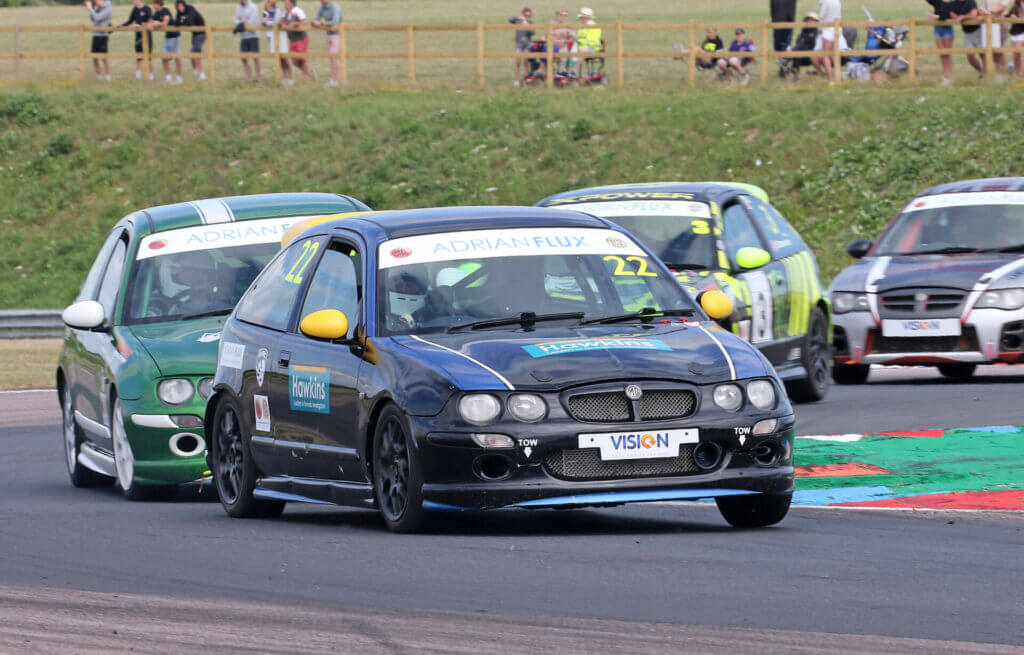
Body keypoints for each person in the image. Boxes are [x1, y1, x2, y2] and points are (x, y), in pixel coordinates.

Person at [283, 0, 316, 83]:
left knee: (302, 59)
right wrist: (283, 25)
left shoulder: (298, 11)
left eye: (286, 3)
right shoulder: (286, 13)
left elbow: (304, 22)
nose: (284, 4)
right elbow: (282, 21)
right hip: (292, 40)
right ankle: (310, 73)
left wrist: (295, 24)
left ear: (291, 3)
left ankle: (306, 77)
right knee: (294, 62)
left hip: (301, 39)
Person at [311, 0, 343, 86]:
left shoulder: (336, 7)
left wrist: (320, 23)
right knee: (332, 57)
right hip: (329, 34)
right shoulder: (322, 8)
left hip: (337, 34)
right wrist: (313, 21)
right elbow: (317, 18)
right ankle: (338, 79)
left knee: (333, 56)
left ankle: (335, 79)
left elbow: (335, 22)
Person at [149, 0, 182, 83]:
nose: (152, 5)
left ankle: (179, 78)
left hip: (175, 36)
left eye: (154, 3)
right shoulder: (156, 13)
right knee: (164, 58)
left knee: (176, 58)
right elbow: (150, 21)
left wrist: (154, 25)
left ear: (158, 4)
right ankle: (168, 78)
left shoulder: (166, 11)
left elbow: (165, 23)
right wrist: (149, 24)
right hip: (167, 36)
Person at [927, 0, 958, 84]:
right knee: (942, 53)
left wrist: (936, 17)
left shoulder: (952, 3)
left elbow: (947, 16)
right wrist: (933, 16)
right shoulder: (937, 1)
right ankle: (945, 76)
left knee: (948, 53)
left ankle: (949, 77)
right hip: (938, 29)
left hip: (947, 28)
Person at [122, 0, 153, 81]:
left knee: (148, 57)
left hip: (147, 36)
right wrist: (121, 25)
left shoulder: (147, 9)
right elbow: (130, 21)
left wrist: (140, 25)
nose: (133, 1)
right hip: (138, 37)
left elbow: (150, 21)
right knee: (139, 57)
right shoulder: (134, 9)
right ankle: (138, 76)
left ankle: (151, 76)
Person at [175, 0, 206, 80]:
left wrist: (182, 23)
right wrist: (181, 23)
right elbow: (176, 23)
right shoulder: (179, 13)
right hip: (194, 34)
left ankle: (202, 74)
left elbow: (190, 22)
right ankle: (196, 71)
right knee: (193, 54)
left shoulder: (190, 9)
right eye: (178, 7)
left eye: (181, 6)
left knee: (194, 53)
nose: (180, 8)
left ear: (184, 5)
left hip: (201, 33)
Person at [814, 0, 844, 81]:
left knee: (825, 55)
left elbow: (821, 17)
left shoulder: (826, 2)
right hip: (837, 30)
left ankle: (830, 78)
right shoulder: (837, 2)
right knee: (834, 54)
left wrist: (819, 29)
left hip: (827, 30)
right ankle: (839, 76)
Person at [262, 0, 291, 79]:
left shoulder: (277, 10)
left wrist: (267, 22)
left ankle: (290, 75)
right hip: (270, 36)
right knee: (278, 57)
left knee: (284, 56)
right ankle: (285, 75)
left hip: (279, 36)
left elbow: (276, 22)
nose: (264, 3)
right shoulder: (265, 12)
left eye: (266, 2)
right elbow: (263, 23)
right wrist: (266, 23)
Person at [85, 0, 112, 81]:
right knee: (94, 58)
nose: (95, 2)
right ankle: (99, 78)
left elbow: (98, 18)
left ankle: (108, 77)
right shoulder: (99, 8)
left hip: (103, 36)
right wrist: (92, 9)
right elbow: (93, 19)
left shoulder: (107, 8)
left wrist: (90, 8)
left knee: (104, 57)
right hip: (95, 35)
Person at [235, 0, 261, 81]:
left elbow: (252, 22)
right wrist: (243, 21)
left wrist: (241, 21)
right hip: (244, 36)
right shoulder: (239, 6)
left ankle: (259, 77)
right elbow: (235, 20)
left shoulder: (253, 7)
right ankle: (249, 78)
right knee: (243, 58)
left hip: (253, 36)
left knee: (255, 57)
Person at [573, 6, 601, 76]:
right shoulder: (581, 26)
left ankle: (574, 70)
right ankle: (565, 71)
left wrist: (577, 40)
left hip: (592, 49)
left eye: (581, 17)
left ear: (587, 18)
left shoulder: (595, 27)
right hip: (581, 46)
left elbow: (590, 41)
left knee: (582, 50)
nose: (580, 19)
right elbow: (579, 37)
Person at [509, 7, 534, 85]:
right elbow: (510, 20)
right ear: (523, 14)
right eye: (525, 15)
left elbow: (533, 32)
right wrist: (518, 18)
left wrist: (527, 26)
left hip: (527, 44)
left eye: (528, 15)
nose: (526, 17)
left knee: (526, 62)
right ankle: (516, 80)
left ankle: (526, 79)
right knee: (518, 62)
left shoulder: (531, 23)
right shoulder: (518, 21)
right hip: (519, 44)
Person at [552, 8, 574, 75]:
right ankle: (554, 71)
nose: (563, 17)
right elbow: (548, 36)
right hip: (554, 44)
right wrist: (556, 42)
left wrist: (565, 41)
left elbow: (573, 37)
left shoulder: (568, 25)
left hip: (564, 44)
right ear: (557, 15)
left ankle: (564, 70)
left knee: (564, 49)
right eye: (561, 15)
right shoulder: (552, 24)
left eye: (565, 15)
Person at [1009, 0, 1024, 76]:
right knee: (1016, 55)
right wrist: (1010, 16)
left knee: (1017, 51)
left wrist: (1019, 18)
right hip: (1015, 32)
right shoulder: (1016, 5)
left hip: (1022, 32)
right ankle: (1019, 74)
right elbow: (1008, 15)